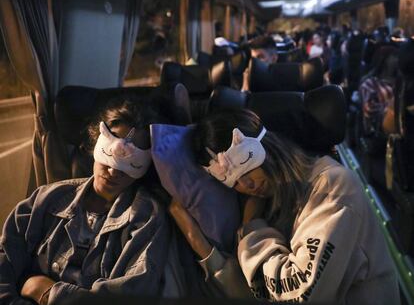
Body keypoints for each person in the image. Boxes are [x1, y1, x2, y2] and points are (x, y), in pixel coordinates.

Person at [170, 109, 400, 303]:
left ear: (266, 145)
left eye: (245, 164)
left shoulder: (332, 189)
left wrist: (252, 229)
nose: (246, 184)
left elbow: (298, 293)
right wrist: (199, 242)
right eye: (232, 180)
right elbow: (256, 291)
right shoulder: (270, 202)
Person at [0, 96, 186, 304]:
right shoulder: (45, 200)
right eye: (110, 152)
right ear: (97, 138)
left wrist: (46, 292)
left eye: (132, 162)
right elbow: (4, 262)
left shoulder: (146, 219)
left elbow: (131, 294)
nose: (114, 170)